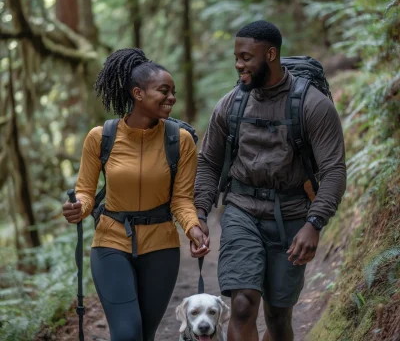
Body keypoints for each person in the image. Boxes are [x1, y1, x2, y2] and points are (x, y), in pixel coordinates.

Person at [192, 21, 346, 341]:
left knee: (277, 316)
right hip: (240, 211)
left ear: (271, 54)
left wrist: (314, 223)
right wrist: (200, 212)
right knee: (243, 304)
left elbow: (333, 170)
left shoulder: (313, 105)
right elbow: (208, 161)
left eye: (246, 57)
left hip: (291, 214)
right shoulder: (230, 104)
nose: (238, 64)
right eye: (236, 57)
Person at [62, 48, 210, 341]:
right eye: (163, 91)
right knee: (127, 332)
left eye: (173, 92)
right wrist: (79, 206)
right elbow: (86, 192)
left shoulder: (179, 140)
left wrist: (193, 228)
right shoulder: (100, 137)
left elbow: (181, 199)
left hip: (161, 247)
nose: (171, 98)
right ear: (138, 93)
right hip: (111, 242)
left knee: (145, 334)